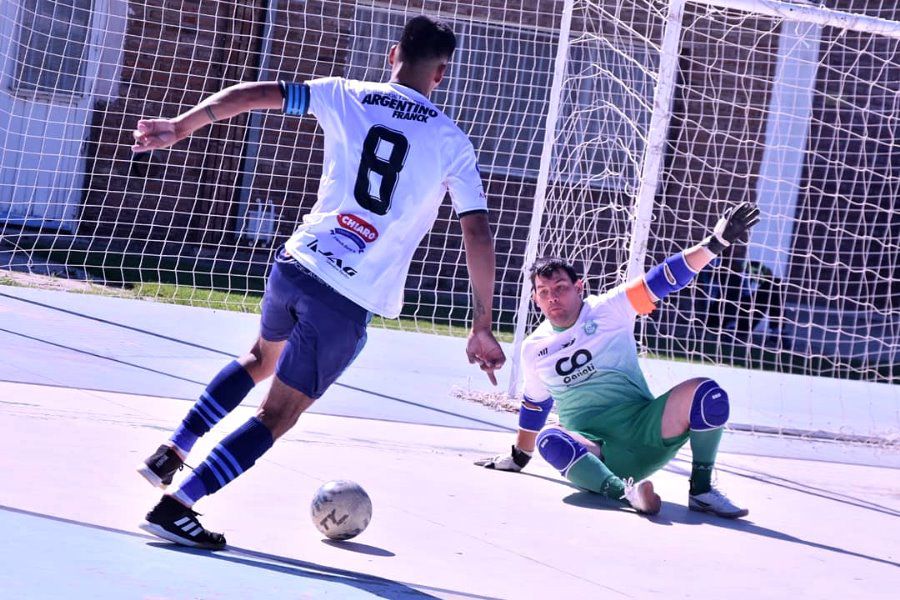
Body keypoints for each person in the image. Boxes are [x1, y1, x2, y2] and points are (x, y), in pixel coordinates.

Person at [132, 15, 506, 549]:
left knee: (260, 358)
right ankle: (178, 505)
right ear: (441, 73)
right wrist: (483, 323)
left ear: (392, 53)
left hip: (296, 264)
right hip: (344, 298)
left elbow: (252, 93)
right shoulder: (452, 142)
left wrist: (183, 125)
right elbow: (477, 232)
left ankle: (174, 448)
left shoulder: (345, 94)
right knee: (277, 414)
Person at [476, 203, 760, 518]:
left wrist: (714, 244)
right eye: (543, 292)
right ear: (535, 299)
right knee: (550, 438)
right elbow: (535, 406)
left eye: (560, 287)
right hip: (596, 454)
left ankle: (702, 490)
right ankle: (626, 494)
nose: (553, 297)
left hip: (647, 431)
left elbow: (663, 279)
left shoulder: (608, 309)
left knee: (709, 393)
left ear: (579, 288)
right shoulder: (534, 348)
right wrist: (519, 456)